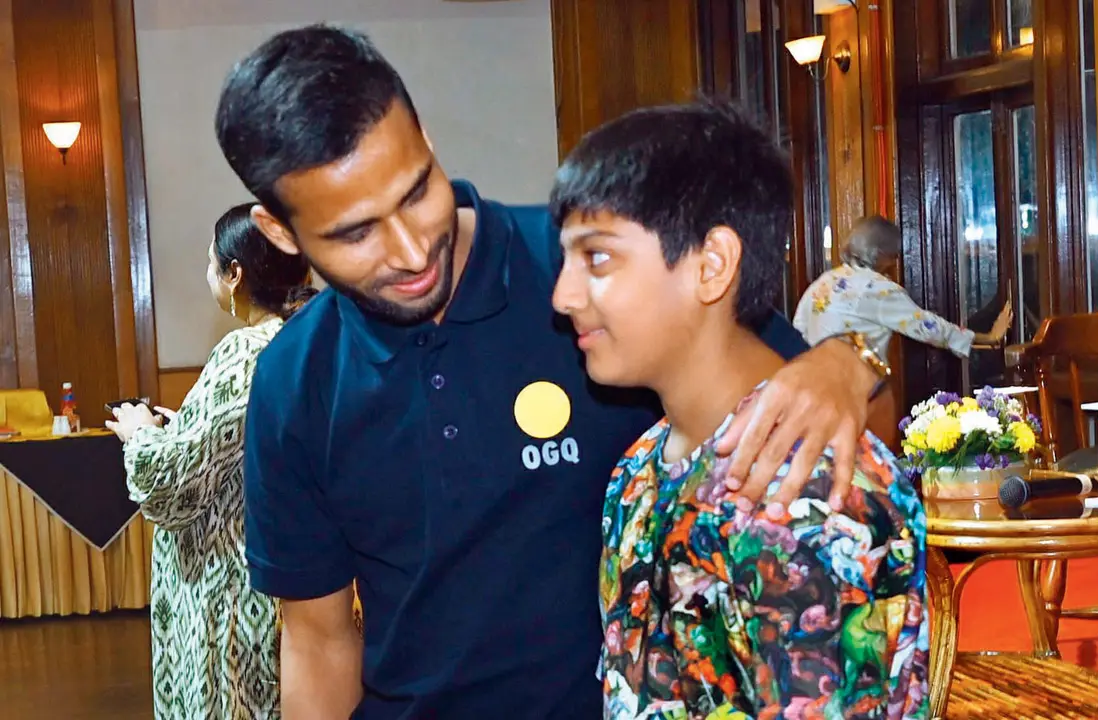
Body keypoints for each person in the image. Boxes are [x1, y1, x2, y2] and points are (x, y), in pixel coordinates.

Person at [214, 25, 885, 719]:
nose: (411, 252)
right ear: (281, 232)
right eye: (357, 233)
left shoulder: (589, 277)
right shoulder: (293, 380)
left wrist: (846, 362)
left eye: (416, 193)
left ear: (426, 145)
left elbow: (794, 382)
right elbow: (318, 641)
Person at [551, 101, 929, 718]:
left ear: (712, 265)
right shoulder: (637, 470)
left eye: (596, 258)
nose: (563, 296)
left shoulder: (807, 494)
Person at [105, 203, 315, 719]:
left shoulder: (245, 351)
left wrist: (140, 434)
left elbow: (171, 487)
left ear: (235, 274)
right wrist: (185, 426)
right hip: (290, 573)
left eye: (209, 262)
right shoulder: (305, 340)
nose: (207, 274)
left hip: (229, 590)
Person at [793, 215, 1013, 363]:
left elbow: (798, 328)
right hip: (851, 387)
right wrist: (989, 337)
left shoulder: (824, 281)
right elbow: (928, 327)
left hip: (814, 384)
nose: (894, 263)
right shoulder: (877, 288)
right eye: (894, 256)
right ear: (880, 254)